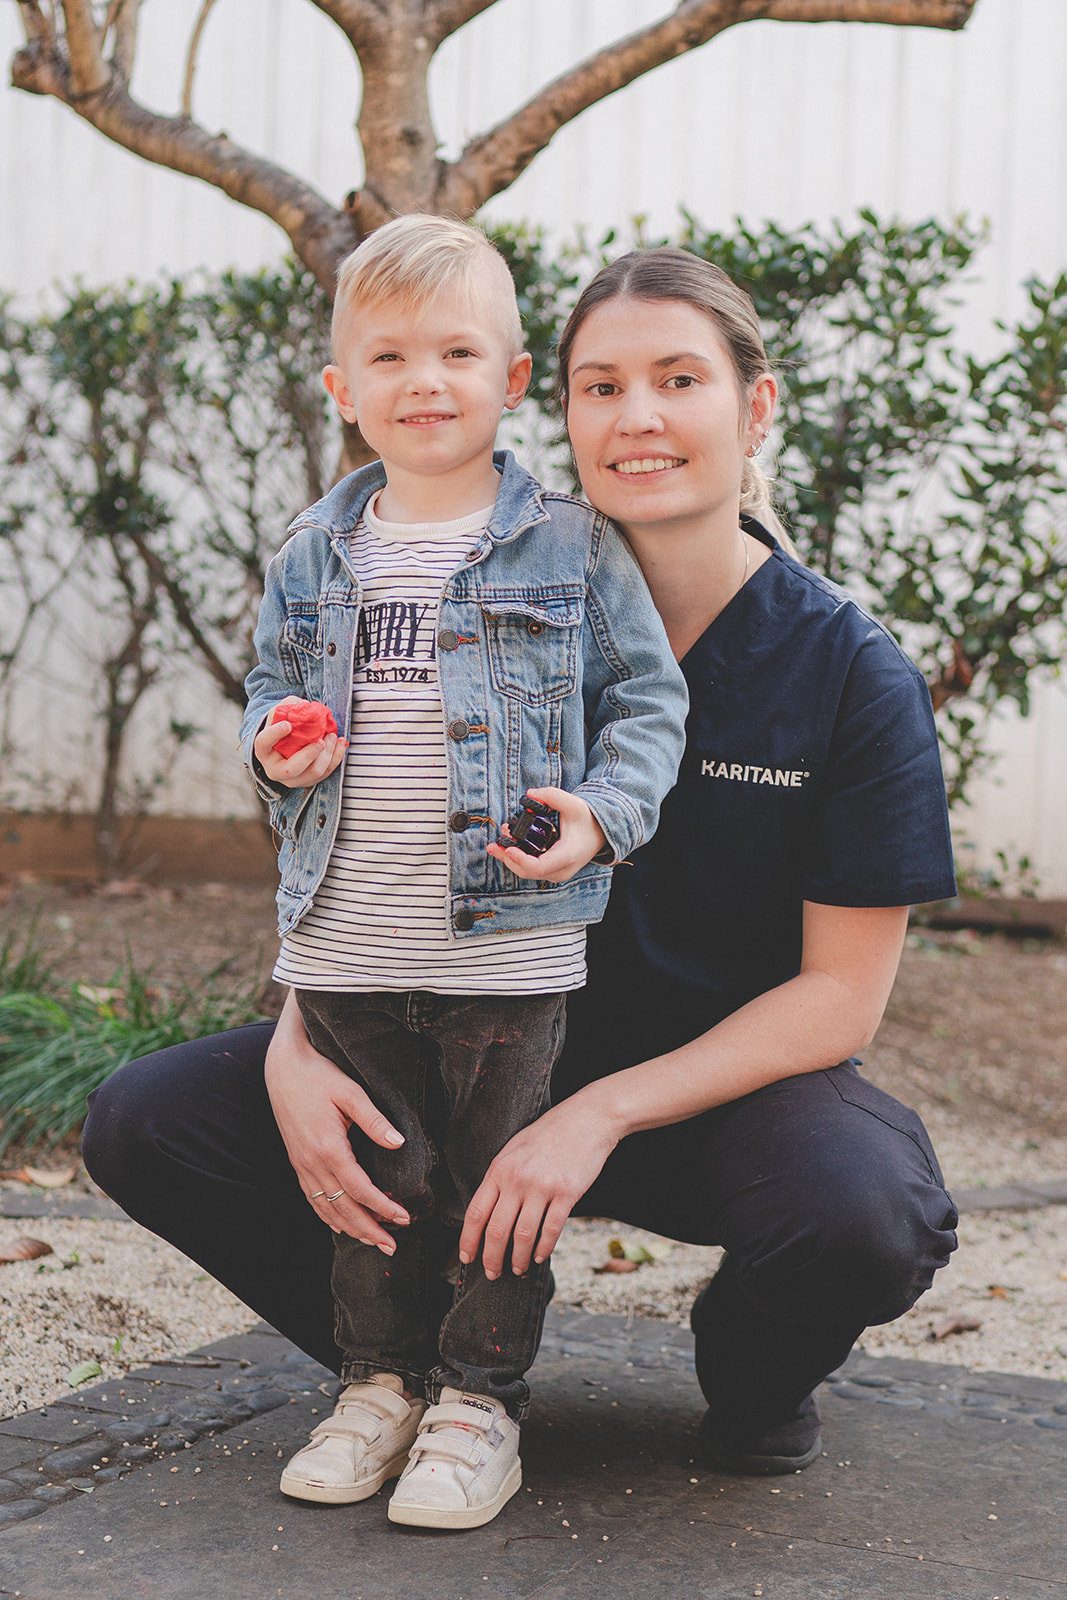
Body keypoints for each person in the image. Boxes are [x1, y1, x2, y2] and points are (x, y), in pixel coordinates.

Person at [82, 246, 958, 1511]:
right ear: (559, 407)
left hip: (697, 1103)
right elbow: (362, 832)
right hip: (447, 1043)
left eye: (677, 379)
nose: (637, 417)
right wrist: (297, 1037)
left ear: (753, 407)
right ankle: (424, 1376)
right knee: (148, 1120)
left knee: (865, 1211)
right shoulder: (464, 584)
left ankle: (750, 1371)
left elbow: (839, 1001)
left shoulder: (843, 669)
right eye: (601, 386)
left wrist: (593, 1115)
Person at [235, 214, 687, 1530]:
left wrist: (602, 816)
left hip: (509, 942)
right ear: (342, 392)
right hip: (346, 938)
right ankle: (376, 1384)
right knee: (378, 1190)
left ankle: (480, 1402)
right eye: (386, 356)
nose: (421, 380)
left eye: (454, 351)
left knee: (490, 1192)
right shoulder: (314, 555)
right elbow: (272, 690)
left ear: (507, 380)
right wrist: (279, 741)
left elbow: (646, 704)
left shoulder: (568, 544)